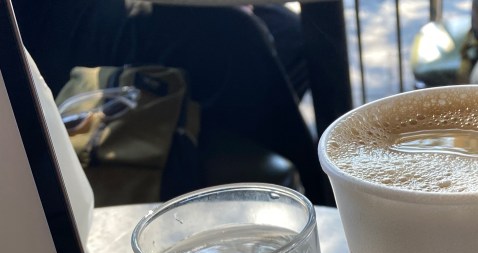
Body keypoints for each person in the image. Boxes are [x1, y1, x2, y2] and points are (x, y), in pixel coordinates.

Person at [13, 0, 328, 203]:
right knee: (234, 35)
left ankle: (187, 134)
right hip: (41, 30)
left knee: (287, 31)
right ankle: (319, 195)